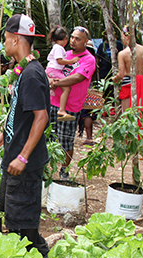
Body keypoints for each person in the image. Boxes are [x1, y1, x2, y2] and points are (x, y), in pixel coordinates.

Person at [0, 14, 50, 257]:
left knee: (21, 221)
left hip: (25, 161)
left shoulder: (32, 73)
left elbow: (41, 117)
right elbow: (22, 115)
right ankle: (36, 254)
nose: (4, 44)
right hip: (17, 154)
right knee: (15, 213)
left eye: (5, 39)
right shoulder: (25, 70)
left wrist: (22, 157)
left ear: (15, 39)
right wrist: (4, 136)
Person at [48, 26, 96, 180]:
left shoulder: (88, 59)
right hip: (52, 102)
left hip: (71, 107)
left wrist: (58, 82)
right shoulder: (63, 53)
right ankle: (44, 169)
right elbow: (50, 68)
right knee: (47, 136)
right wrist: (50, 80)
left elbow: (78, 78)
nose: (74, 41)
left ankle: (64, 171)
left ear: (86, 42)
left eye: (78, 39)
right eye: (73, 37)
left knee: (66, 140)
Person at [112, 26, 143, 126]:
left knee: (127, 113)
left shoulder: (123, 54)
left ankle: (129, 138)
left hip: (128, 82)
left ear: (126, 36)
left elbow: (121, 74)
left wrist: (114, 79)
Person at [46, 26, 79, 122]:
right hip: (54, 70)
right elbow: (59, 61)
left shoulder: (57, 47)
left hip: (53, 70)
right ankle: (61, 109)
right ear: (65, 39)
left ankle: (51, 89)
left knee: (58, 83)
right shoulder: (59, 48)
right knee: (67, 87)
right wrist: (71, 61)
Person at [96, 31, 123, 96]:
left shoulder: (118, 44)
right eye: (106, 34)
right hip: (104, 71)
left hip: (115, 70)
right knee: (105, 89)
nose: (107, 35)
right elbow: (98, 57)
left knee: (115, 88)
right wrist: (96, 65)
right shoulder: (102, 45)